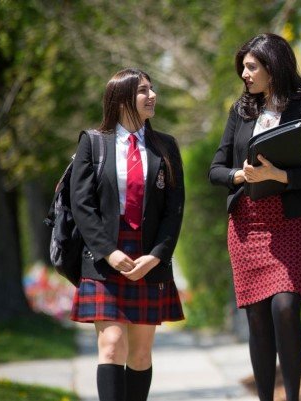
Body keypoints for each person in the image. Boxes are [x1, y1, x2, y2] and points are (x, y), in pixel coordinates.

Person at [209, 32, 301, 401]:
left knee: (286, 308)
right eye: (242, 66)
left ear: (273, 68)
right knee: (257, 319)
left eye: (251, 66)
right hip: (247, 223)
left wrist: (277, 175)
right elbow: (216, 169)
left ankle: (292, 396)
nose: (244, 73)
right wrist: (240, 176)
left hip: (292, 221)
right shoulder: (239, 112)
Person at [70, 67, 185, 401]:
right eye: (142, 91)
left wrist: (156, 255)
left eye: (152, 89)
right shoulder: (94, 144)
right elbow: (82, 205)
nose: (152, 96)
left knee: (140, 355)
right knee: (110, 347)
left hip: (149, 258)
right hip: (104, 258)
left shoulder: (166, 146)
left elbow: (174, 209)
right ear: (121, 100)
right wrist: (109, 251)